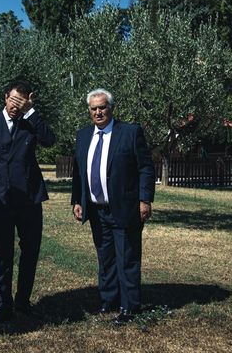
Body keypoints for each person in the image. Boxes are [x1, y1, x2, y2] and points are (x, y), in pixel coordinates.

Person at [0, 80, 56, 323]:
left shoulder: (31, 123)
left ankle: (23, 302)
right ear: (5, 97)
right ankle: (4, 306)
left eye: (21, 102)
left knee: (30, 252)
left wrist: (31, 112)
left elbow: (50, 140)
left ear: (28, 100)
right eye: (13, 100)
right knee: (3, 253)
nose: (15, 106)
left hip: (30, 198)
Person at [71, 88, 155, 324]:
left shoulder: (130, 132)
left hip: (125, 208)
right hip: (97, 211)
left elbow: (146, 168)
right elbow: (79, 172)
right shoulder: (83, 135)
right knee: (105, 258)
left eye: (102, 107)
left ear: (111, 108)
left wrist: (145, 199)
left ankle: (130, 306)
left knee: (126, 257)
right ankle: (109, 300)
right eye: (93, 109)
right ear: (89, 111)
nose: (98, 112)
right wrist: (77, 200)